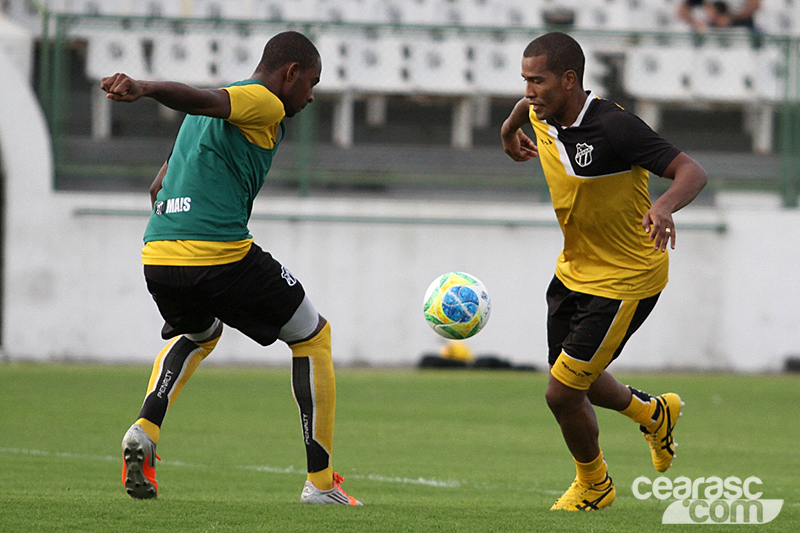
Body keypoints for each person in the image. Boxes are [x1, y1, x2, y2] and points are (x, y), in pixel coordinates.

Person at [101, 31, 362, 506]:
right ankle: (321, 484)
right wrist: (146, 88)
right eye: (312, 84)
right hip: (217, 252)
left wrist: (180, 279)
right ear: (291, 73)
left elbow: (159, 185)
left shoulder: (199, 125)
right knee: (312, 335)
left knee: (201, 334)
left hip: (159, 255)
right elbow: (200, 97)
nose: (310, 97)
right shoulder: (264, 102)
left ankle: (146, 426)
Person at [500, 32, 707, 511]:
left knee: (561, 392)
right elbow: (519, 110)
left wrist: (665, 206)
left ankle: (595, 485)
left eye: (539, 81)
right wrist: (508, 133)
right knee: (578, 377)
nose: (529, 90)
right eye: (525, 80)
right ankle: (653, 414)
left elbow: (691, 171)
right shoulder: (539, 109)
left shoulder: (615, 127)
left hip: (627, 278)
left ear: (569, 80)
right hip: (574, 271)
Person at [678, 0, 761, 32]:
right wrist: (694, 22)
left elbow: (755, 5)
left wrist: (732, 19)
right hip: (710, 31)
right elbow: (683, 10)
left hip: (741, 30)